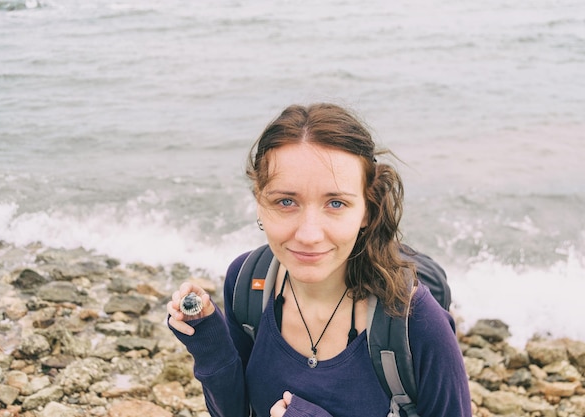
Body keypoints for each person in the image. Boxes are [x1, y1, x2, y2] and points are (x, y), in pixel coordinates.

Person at [167, 103, 472, 417]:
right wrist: (210, 344)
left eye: (336, 203)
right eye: (286, 201)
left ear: (366, 210)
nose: (309, 235)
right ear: (259, 201)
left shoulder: (414, 321)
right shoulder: (247, 285)